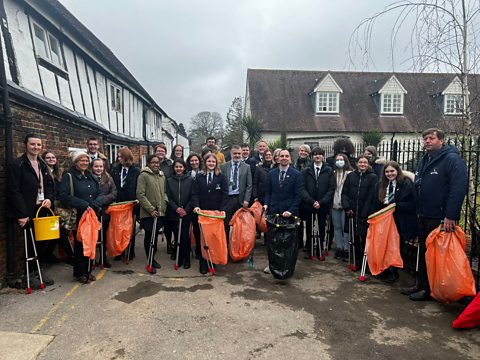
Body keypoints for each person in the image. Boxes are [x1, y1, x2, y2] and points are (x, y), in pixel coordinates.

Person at [401, 128, 467, 301]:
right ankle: (421, 284)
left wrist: (451, 215)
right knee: (424, 253)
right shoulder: (426, 159)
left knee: (437, 257)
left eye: (431, 138)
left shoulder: (452, 159)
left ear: (441, 140)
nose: (427, 141)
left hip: (440, 217)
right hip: (423, 214)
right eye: (425, 139)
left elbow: (458, 189)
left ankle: (432, 289)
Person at [7, 134, 55, 287]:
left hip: (41, 208)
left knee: (43, 241)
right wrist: (21, 214)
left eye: (39, 145)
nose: (36, 147)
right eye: (33, 144)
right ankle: (30, 274)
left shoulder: (41, 163)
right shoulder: (18, 164)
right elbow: (14, 191)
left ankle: (37, 270)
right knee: (30, 242)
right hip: (26, 210)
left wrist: (49, 198)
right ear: (26, 145)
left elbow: (48, 185)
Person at [369, 161, 417, 283]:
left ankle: (394, 271)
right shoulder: (380, 185)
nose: (389, 174)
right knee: (383, 244)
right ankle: (383, 268)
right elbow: (375, 203)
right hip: (383, 220)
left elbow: (412, 204)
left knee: (395, 246)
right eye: (387, 171)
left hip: (398, 219)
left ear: (397, 171)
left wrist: (397, 205)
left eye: (392, 171)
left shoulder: (406, 184)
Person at [59, 151, 103, 283]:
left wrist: (95, 204)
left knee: (91, 242)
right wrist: (83, 204)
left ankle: (89, 270)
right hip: (78, 215)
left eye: (86, 160)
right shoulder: (69, 176)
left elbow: (100, 193)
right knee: (80, 244)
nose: (84, 163)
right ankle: (80, 272)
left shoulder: (91, 176)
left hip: (92, 214)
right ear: (75, 162)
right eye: (81, 161)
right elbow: (64, 195)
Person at [263, 149, 303, 273]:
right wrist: (265, 205)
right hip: (274, 211)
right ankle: (273, 266)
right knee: (273, 242)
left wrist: (291, 210)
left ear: (290, 159)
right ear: (277, 158)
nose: (284, 158)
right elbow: (268, 192)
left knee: (287, 243)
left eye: (286, 156)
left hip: (289, 212)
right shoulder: (272, 173)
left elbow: (298, 195)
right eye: (281, 156)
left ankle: (286, 267)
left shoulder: (296, 174)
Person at [192, 153, 228, 274]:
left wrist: (223, 208)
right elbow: (195, 193)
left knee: (213, 239)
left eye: (213, 162)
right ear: (205, 163)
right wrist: (196, 206)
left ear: (216, 163)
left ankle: (212, 261)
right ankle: (203, 263)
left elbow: (225, 194)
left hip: (215, 214)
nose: (211, 164)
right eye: (209, 162)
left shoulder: (221, 177)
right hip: (202, 213)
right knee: (203, 239)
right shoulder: (199, 177)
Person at [341, 155, 377, 269]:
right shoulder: (351, 176)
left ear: (368, 164)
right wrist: (346, 207)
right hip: (352, 212)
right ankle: (356, 260)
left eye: (365, 162)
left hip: (364, 214)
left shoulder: (373, 177)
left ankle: (365, 263)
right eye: (360, 162)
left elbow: (371, 198)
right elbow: (344, 193)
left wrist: (364, 214)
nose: (362, 164)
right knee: (354, 238)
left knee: (365, 239)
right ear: (356, 164)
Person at [136, 154, 168, 274]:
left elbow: (164, 192)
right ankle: (149, 260)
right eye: (153, 162)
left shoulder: (161, 176)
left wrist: (165, 202)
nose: (156, 164)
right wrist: (150, 209)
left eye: (157, 162)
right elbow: (140, 194)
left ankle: (153, 258)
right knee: (149, 236)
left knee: (155, 238)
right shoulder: (143, 176)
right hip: (148, 213)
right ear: (148, 163)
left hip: (160, 212)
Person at [301, 147, 335, 259]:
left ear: (323, 156)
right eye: (315, 154)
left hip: (323, 205)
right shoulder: (306, 170)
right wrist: (311, 201)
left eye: (320, 154)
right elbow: (302, 188)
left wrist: (321, 201)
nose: (317, 156)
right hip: (309, 204)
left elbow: (331, 188)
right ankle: (310, 250)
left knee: (321, 228)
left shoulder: (329, 170)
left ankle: (320, 250)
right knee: (310, 228)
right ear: (312, 156)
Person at [110, 147, 141, 260]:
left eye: (121, 156)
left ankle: (130, 251)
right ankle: (120, 251)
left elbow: (139, 187)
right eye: (118, 156)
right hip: (118, 204)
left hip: (131, 204)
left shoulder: (136, 170)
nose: (119, 158)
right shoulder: (115, 170)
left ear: (127, 157)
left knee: (129, 229)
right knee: (118, 229)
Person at [220, 145, 252, 241]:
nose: (237, 155)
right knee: (226, 224)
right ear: (231, 154)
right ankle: (225, 248)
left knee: (239, 226)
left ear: (242, 154)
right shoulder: (223, 167)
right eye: (235, 153)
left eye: (239, 153)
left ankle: (238, 248)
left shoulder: (246, 167)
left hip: (240, 200)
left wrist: (246, 199)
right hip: (227, 199)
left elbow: (249, 185)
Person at [166, 159, 194, 269]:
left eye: (181, 167)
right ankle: (179, 257)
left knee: (184, 237)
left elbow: (193, 196)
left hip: (186, 213)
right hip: (174, 213)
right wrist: (176, 208)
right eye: (176, 167)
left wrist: (186, 209)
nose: (178, 169)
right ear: (173, 168)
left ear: (184, 168)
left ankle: (187, 259)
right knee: (177, 236)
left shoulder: (190, 180)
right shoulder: (169, 181)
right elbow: (168, 197)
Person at [91, 158, 117, 268]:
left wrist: (103, 200)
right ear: (92, 167)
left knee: (103, 236)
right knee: (92, 236)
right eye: (96, 166)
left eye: (101, 166)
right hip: (92, 211)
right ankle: (91, 259)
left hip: (104, 211)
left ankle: (103, 257)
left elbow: (114, 192)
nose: (99, 169)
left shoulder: (108, 178)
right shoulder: (88, 178)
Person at [331, 153, 353, 261]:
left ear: (345, 161)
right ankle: (339, 247)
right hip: (334, 204)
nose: (339, 161)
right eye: (337, 159)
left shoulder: (350, 174)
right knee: (337, 227)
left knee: (346, 228)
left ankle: (346, 248)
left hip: (345, 204)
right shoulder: (333, 173)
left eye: (342, 159)